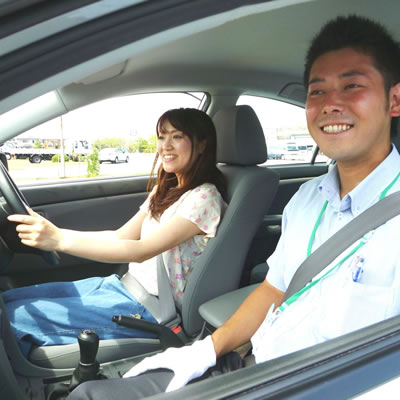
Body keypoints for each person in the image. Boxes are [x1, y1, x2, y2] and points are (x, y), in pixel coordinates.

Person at [66, 15, 400, 400]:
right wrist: (207, 350)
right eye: (317, 92)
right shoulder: (308, 199)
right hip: (256, 364)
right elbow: (273, 289)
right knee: (90, 396)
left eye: (353, 86)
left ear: (393, 100)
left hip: (330, 385)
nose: (330, 105)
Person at [2, 108, 226, 357]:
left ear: (202, 145)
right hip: (121, 287)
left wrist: (60, 239)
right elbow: (121, 236)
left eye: (177, 136)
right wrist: (55, 232)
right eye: (162, 137)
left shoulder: (205, 197)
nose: (165, 146)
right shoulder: (167, 190)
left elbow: (141, 251)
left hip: (150, 309)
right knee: (9, 299)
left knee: (12, 319)